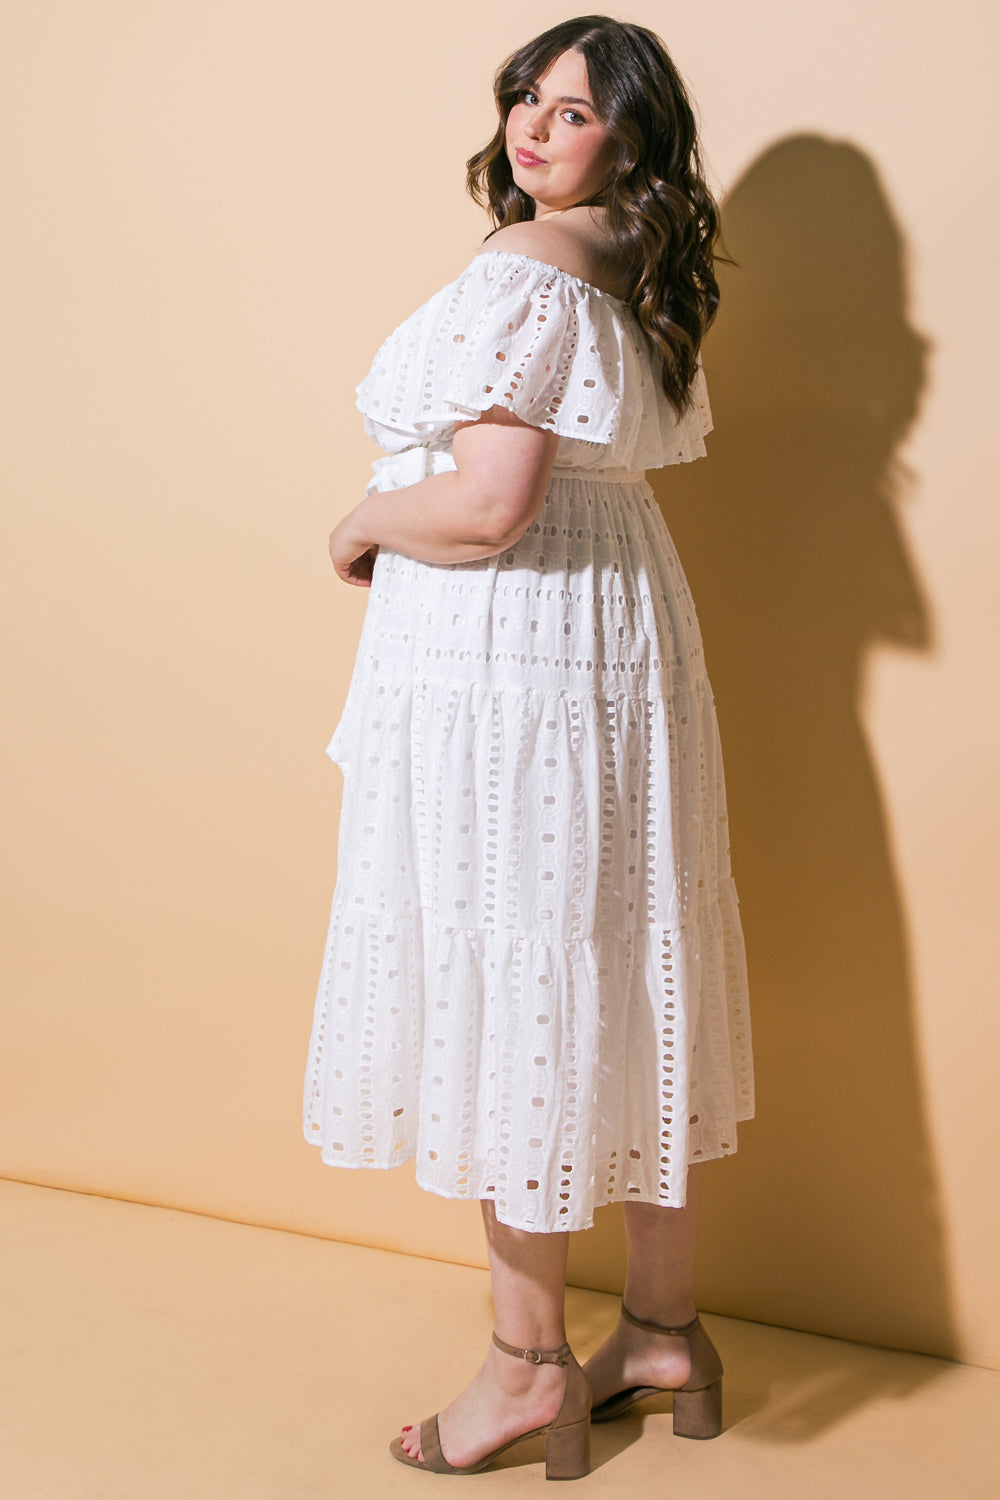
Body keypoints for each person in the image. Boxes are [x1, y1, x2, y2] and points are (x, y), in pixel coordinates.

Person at [302, 14, 754, 1480]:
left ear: (632, 137)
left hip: (520, 657)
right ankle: (667, 1331)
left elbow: (491, 508)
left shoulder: (527, 270)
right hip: (615, 640)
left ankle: (524, 1370)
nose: (536, 129)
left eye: (575, 112)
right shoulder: (635, 273)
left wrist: (366, 519)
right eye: (526, 100)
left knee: (521, 969)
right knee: (619, 961)